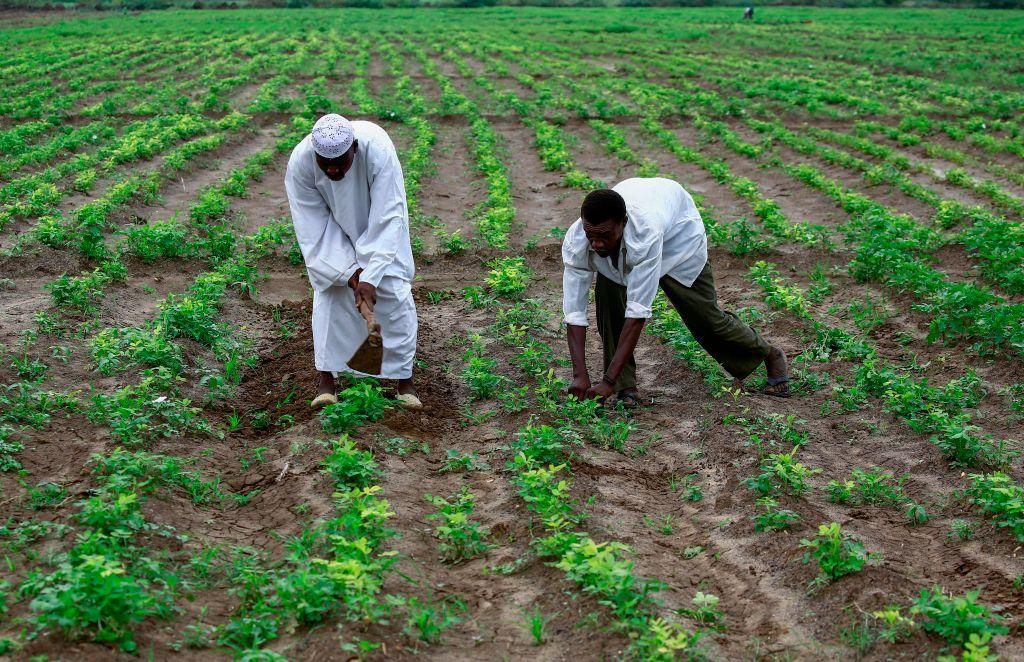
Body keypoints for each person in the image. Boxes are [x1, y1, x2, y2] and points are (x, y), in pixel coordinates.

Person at [561, 178, 790, 407]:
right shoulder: (579, 239)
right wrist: (579, 375)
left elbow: (637, 313)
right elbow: (574, 313)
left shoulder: (645, 232)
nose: (597, 244)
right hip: (643, 219)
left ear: (624, 223)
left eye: (604, 236)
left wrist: (607, 380)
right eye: (591, 236)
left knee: (706, 319)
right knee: (610, 310)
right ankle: (626, 388)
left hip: (678, 240)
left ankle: (768, 353)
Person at [285, 113, 421, 410]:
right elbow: (312, 225)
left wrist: (372, 274)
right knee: (331, 294)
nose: (332, 168)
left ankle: (404, 383)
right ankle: (327, 382)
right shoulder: (301, 162)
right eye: (325, 162)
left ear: (355, 148)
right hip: (331, 231)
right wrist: (348, 271)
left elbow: (388, 212)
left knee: (394, 292)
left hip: (380, 225)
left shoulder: (378, 150)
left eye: (340, 161)